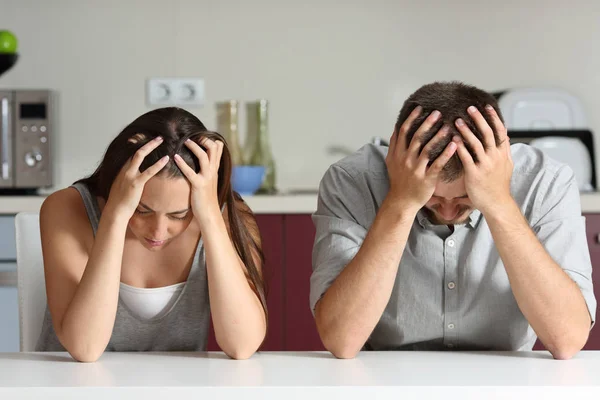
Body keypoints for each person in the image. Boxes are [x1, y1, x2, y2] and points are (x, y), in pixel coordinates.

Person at [311, 81, 596, 360]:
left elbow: (567, 339)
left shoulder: (546, 181)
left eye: (463, 199)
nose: (447, 214)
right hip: (385, 380)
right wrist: (401, 201)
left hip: (507, 381)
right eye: (432, 198)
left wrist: (499, 202)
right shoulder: (351, 181)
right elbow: (342, 340)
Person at [37, 107, 267, 361]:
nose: (158, 231)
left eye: (179, 215)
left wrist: (211, 216)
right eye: (142, 210)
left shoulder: (223, 217)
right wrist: (116, 215)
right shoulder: (66, 208)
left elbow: (242, 346)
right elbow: (85, 348)